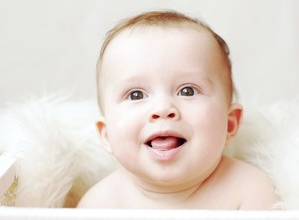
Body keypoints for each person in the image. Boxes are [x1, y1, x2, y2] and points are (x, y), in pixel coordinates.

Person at [78, 10, 280, 209]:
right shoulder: (99, 205)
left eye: (188, 91)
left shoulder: (249, 191)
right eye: (136, 95)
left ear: (229, 124)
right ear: (106, 135)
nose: (163, 109)